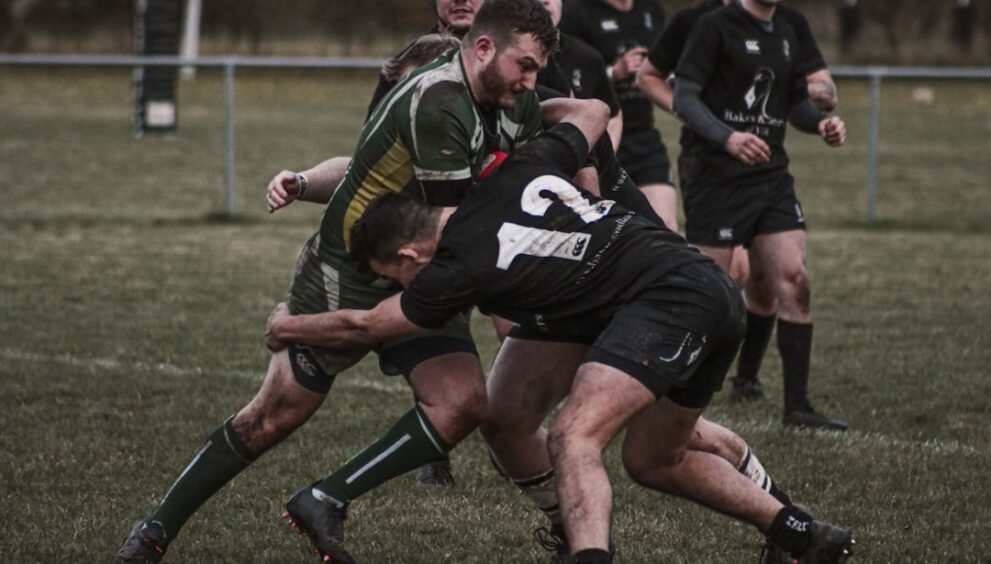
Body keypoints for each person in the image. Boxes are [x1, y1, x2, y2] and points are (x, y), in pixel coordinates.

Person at [264, 120, 856, 564]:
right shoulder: (514, 167)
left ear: (409, 253)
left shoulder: (452, 268)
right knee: (644, 456)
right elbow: (591, 110)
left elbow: (366, 326)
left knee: (575, 437)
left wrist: (287, 325)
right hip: (664, 290)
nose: (399, 288)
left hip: (669, 298)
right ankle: (798, 532)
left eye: (394, 278)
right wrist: (584, 173)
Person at [113, 1, 566, 563]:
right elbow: (460, 229)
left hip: (426, 265)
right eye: (524, 66)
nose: (531, 82)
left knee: (461, 403)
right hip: (350, 271)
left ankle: (326, 498)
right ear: (481, 48)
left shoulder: (514, 99)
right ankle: (154, 531)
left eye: (537, 70)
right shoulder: (438, 100)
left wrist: (579, 117)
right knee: (273, 417)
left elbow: (488, 206)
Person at [637, 0, 839, 405]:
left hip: (770, 173)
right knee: (709, 292)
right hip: (714, 174)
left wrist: (821, 123)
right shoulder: (710, 26)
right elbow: (686, 97)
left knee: (793, 279)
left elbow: (797, 101)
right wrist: (727, 137)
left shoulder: (788, 28)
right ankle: (676, 391)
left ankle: (796, 406)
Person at [559, 0, 679, 230]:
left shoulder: (650, 10)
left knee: (666, 228)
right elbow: (571, 71)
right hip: (599, 140)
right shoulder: (576, 13)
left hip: (644, 138)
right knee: (605, 230)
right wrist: (615, 72)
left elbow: (664, 65)